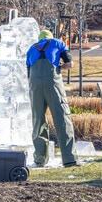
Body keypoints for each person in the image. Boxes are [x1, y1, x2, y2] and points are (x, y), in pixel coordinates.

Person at [25, 29, 78, 168]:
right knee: (62, 118)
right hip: (52, 84)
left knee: (38, 120)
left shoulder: (31, 49)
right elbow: (70, 64)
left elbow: (28, 73)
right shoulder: (58, 43)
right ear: (50, 37)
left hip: (35, 86)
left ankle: (40, 159)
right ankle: (69, 159)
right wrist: (60, 67)